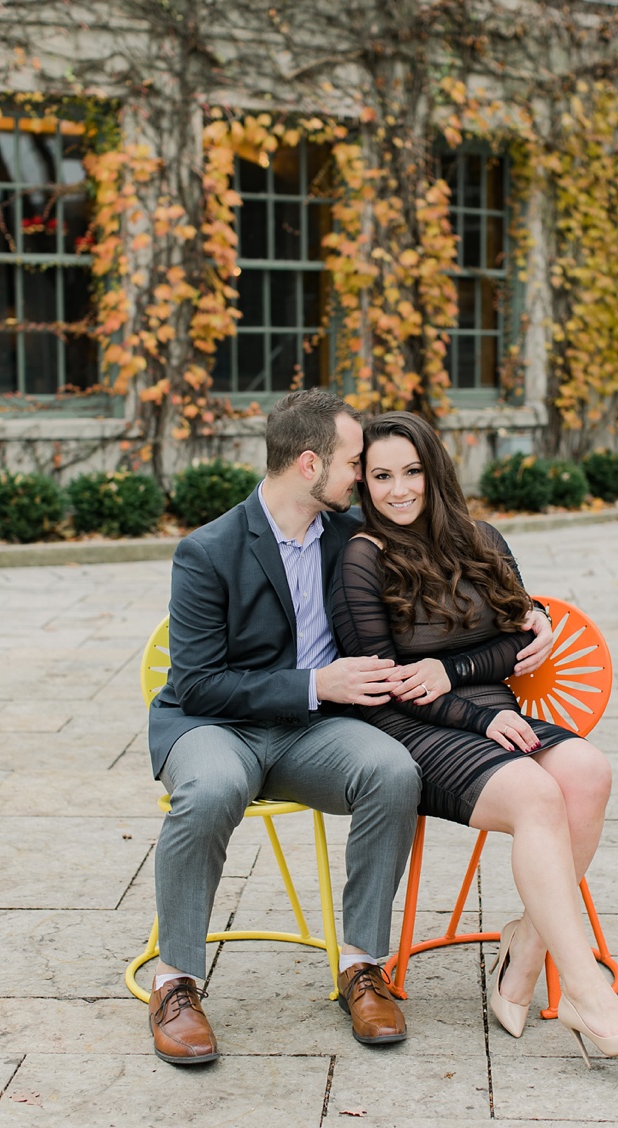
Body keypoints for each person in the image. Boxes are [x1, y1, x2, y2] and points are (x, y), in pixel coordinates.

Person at [331, 411, 618, 1063]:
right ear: (364, 482)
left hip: (496, 712)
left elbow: (518, 633)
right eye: (380, 476)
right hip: (415, 731)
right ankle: (586, 996)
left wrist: (456, 670)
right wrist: (473, 710)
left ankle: (526, 944)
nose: (398, 490)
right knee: (537, 796)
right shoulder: (362, 557)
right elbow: (384, 680)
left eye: (411, 472)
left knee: (588, 773)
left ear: (435, 472)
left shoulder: (479, 538)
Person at [146, 387, 423, 1064]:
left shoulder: (353, 535)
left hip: (310, 732)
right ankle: (174, 982)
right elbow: (197, 682)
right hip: (215, 725)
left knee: (394, 771)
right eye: (354, 462)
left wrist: (524, 610)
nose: (361, 476)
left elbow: (449, 562)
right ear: (308, 464)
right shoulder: (206, 551)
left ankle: (361, 966)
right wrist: (313, 683)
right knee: (209, 791)